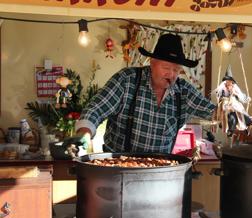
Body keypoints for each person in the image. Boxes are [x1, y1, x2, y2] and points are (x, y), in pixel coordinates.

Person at [65, 33, 216, 155]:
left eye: (176, 70)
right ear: (152, 62)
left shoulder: (183, 91)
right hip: (119, 170)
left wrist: (229, 112)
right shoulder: (127, 80)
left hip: (159, 173)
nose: (171, 74)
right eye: (166, 67)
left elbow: (213, 112)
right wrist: (84, 133)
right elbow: (96, 109)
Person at [213, 65, 252, 137]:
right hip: (226, 107)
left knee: (245, 117)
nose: (228, 83)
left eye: (230, 81)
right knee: (231, 117)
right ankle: (230, 130)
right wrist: (224, 98)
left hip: (236, 107)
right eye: (227, 81)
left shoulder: (235, 88)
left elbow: (241, 96)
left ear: (232, 81)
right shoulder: (222, 88)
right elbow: (219, 96)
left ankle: (246, 127)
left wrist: (246, 98)